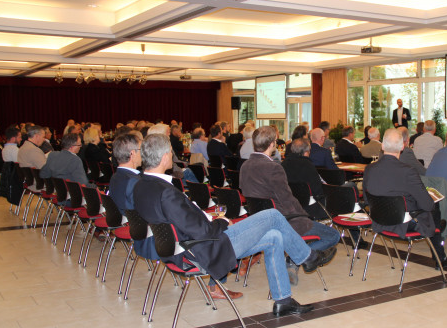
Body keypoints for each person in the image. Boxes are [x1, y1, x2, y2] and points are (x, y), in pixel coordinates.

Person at [133, 134, 337, 316]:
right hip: (204, 248)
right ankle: (307, 256)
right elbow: (200, 229)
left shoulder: (142, 185)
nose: (171, 155)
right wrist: (220, 221)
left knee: (274, 237)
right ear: (164, 157)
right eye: (170, 151)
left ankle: (283, 301)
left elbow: (183, 221)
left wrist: (208, 218)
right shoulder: (165, 191)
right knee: (273, 215)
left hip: (185, 247)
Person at [240, 127, 340, 284]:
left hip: (259, 221)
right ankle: (298, 258)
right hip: (284, 220)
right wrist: (304, 216)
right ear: (272, 144)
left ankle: (297, 256)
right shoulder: (273, 167)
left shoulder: (245, 166)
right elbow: (287, 200)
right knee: (333, 235)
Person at [363, 128, 447, 269]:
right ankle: (440, 256)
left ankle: (436, 233)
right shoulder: (408, 171)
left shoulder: (369, 169)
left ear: (382, 146)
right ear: (402, 147)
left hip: (379, 221)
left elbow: (368, 201)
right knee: (433, 209)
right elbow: (427, 205)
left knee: (428, 210)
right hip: (403, 224)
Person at [281, 138, 324, 203]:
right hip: (307, 203)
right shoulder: (308, 165)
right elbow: (317, 190)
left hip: (288, 202)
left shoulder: (283, 163)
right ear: (306, 152)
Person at [18, 125, 47, 191]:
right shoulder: (33, 150)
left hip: (30, 182)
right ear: (37, 136)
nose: (44, 139)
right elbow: (45, 169)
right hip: (40, 184)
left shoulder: (23, 147)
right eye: (43, 137)